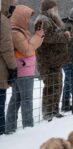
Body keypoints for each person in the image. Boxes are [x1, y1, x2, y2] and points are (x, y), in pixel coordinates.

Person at [5, 5, 44, 134]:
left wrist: (38, 36)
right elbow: (27, 50)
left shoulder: (20, 31)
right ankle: (28, 128)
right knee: (25, 100)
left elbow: (31, 46)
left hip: (24, 69)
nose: (29, 21)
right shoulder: (16, 32)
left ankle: (10, 128)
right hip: (24, 71)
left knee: (16, 99)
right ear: (21, 17)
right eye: (27, 18)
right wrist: (38, 36)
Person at [34, 0, 70, 121]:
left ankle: (55, 111)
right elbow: (46, 37)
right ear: (49, 9)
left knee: (57, 86)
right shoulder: (42, 20)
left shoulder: (51, 20)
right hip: (47, 61)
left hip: (55, 61)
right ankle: (48, 113)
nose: (57, 10)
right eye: (55, 8)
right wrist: (64, 36)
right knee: (50, 87)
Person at [0, 0, 17, 135]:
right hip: (1, 71)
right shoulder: (3, 20)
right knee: (0, 105)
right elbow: (6, 47)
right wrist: (13, 68)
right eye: (12, 5)